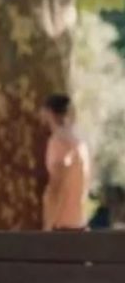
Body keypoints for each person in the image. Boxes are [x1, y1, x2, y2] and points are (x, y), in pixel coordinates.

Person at [41, 94, 91, 231]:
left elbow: (57, 184)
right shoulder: (80, 142)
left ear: (48, 113)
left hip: (63, 227)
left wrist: (48, 226)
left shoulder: (59, 142)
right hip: (80, 224)